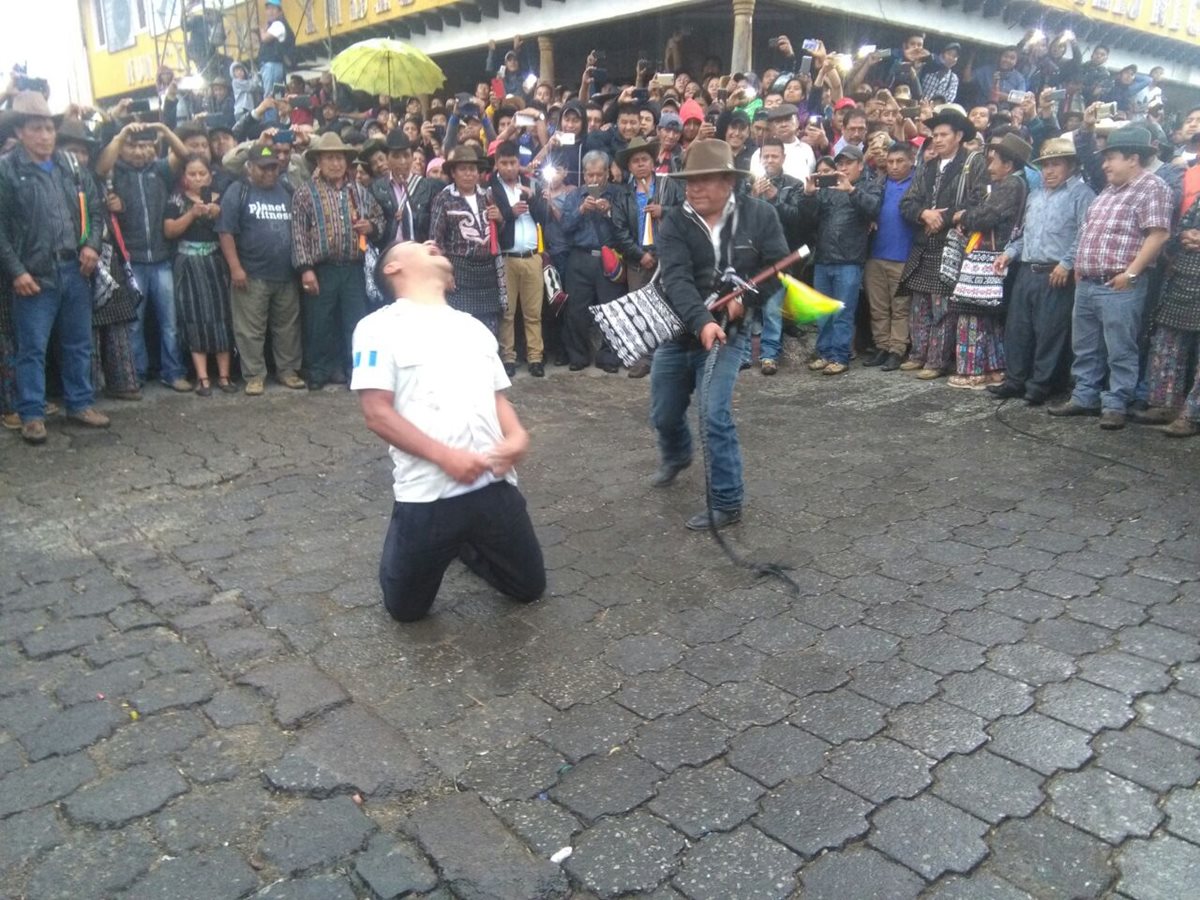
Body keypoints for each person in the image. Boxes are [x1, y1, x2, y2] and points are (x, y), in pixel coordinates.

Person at [352, 240, 545, 623]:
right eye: (418, 245)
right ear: (392, 269)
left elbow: (498, 399)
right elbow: (376, 413)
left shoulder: (472, 327)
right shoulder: (376, 328)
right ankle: (446, 545)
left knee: (530, 588)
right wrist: (447, 457)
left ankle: (468, 546)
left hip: (493, 486)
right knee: (406, 611)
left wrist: (518, 437)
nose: (431, 244)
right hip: (429, 496)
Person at [650, 139, 790, 530]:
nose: (693, 189)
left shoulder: (761, 216)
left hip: (731, 335)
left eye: (705, 180)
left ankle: (728, 502)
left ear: (729, 180)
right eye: (689, 181)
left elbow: (779, 269)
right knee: (663, 413)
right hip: (680, 333)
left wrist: (749, 298)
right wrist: (702, 321)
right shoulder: (676, 221)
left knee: (714, 414)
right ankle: (677, 455)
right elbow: (676, 280)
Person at [0, 91, 108, 444]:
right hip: (34, 276)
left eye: (49, 128)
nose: (45, 135)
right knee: (31, 348)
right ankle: (31, 414)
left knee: (78, 343)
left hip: (76, 270)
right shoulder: (6, 170)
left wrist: (91, 245)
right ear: (19, 132)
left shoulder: (71, 166)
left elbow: (95, 207)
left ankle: (80, 404)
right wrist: (16, 271)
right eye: (36, 128)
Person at [1049, 126, 1172, 430]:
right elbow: (1087, 231)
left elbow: (1158, 235)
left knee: (1120, 348)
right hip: (1089, 282)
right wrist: (1079, 265)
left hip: (1120, 283)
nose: (1104, 165)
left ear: (1133, 158)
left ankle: (1116, 403)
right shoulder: (1108, 191)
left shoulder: (1152, 187)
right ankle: (1085, 396)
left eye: (1111, 158)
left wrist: (1131, 273)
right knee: (1086, 346)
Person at [990, 136, 1095, 404]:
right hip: (1027, 269)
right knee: (1018, 329)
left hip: (1056, 272)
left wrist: (1067, 263)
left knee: (1050, 332)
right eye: (1045, 165)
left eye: (1055, 164)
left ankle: (1040, 385)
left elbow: (1085, 234)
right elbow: (1026, 234)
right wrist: (1009, 253)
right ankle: (1015, 380)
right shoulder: (1035, 196)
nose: (1048, 171)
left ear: (1071, 166)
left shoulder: (1081, 195)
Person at [95, 120, 193, 391]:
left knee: (169, 323)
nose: (140, 152)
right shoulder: (116, 172)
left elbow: (185, 156)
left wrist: (164, 128)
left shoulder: (160, 170)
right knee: (134, 325)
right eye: (133, 146)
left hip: (162, 259)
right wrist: (122, 133)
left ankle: (172, 372)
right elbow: (100, 166)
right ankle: (135, 375)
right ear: (123, 149)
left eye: (146, 146)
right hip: (132, 262)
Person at [898, 104, 989, 377]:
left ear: (958, 136)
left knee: (943, 307)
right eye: (934, 134)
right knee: (919, 305)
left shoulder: (974, 162)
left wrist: (945, 217)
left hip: (952, 243)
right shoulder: (927, 166)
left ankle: (936, 361)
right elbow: (907, 202)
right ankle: (918, 353)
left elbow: (977, 201)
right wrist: (924, 213)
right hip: (924, 243)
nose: (936, 139)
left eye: (943, 134)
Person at [291, 131, 385, 390]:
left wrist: (371, 227)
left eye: (340, 158)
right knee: (319, 323)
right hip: (322, 269)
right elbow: (299, 234)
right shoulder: (305, 194)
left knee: (355, 323)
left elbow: (379, 218)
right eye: (330, 158)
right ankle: (319, 372)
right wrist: (306, 269)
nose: (336, 164)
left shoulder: (358, 191)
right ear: (319, 161)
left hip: (353, 268)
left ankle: (355, 371)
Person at [944, 132, 1030, 388]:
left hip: (989, 258)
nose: (990, 167)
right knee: (988, 317)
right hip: (996, 258)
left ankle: (972, 371)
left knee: (971, 314)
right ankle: (993, 368)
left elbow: (986, 217)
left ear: (1009, 164)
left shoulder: (1011, 186)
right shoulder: (1018, 184)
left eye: (994, 162)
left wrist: (962, 216)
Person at [217, 144, 305, 395]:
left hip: (287, 273)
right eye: (263, 168)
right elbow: (226, 231)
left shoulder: (287, 188)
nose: (269, 172)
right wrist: (235, 268)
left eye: (273, 167)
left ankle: (287, 371)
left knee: (288, 328)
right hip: (251, 274)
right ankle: (254, 375)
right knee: (250, 330)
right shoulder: (239, 190)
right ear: (250, 167)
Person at [798, 145, 883, 375]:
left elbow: (874, 209)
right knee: (823, 312)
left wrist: (852, 191)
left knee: (843, 313)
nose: (843, 167)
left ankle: (840, 356)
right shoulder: (829, 188)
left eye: (848, 163)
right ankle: (824, 353)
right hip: (824, 258)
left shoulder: (869, 186)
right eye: (840, 163)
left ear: (860, 165)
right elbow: (808, 218)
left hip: (850, 260)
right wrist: (808, 194)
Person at [164, 155, 235, 396]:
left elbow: (233, 228)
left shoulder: (221, 198)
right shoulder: (176, 198)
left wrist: (219, 212)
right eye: (192, 174)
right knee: (193, 317)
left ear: (210, 175)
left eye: (201, 174)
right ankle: (203, 378)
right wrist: (192, 214)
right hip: (189, 264)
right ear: (184, 177)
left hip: (215, 263)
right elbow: (169, 230)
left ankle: (224, 376)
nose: (197, 178)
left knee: (222, 316)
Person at [428, 145, 506, 334]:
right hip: (460, 271)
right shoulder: (444, 199)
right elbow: (435, 241)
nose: (469, 174)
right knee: (461, 331)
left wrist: (500, 219)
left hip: (488, 271)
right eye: (463, 169)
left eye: (472, 169)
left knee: (489, 329)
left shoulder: (487, 196)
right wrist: (445, 273)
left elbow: (498, 233)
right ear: (453, 172)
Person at [560, 150, 625, 373]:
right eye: (590, 175)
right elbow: (565, 227)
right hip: (580, 257)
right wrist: (580, 211)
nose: (595, 180)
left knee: (611, 308)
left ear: (607, 173)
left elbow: (626, 226)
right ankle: (578, 355)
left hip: (608, 257)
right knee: (576, 309)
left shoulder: (617, 194)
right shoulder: (574, 196)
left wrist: (609, 212)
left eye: (599, 174)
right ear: (584, 175)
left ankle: (609, 357)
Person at [489, 141, 546, 377]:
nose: (509, 168)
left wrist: (533, 199)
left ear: (519, 163)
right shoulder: (491, 189)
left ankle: (535, 357)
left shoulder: (531, 184)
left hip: (532, 255)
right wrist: (510, 214)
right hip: (507, 256)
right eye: (504, 163)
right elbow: (495, 225)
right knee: (507, 312)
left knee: (534, 313)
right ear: (497, 164)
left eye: (513, 162)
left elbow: (545, 219)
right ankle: (508, 357)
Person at [863, 141, 917, 371]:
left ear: (911, 161)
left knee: (901, 307)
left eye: (900, 161)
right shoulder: (879, 183)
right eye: (891, 162)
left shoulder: (918, 185)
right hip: (875, 254)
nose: (894, 166)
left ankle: (897, 349)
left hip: (903, 255)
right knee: (878, 306)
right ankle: (882, 346)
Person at [368, 130, 436, 245]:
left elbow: (434, 223)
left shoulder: (427, 187)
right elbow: (375, 225)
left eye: (406, 155)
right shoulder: (377, 188)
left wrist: (411, 216)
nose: (403, 161)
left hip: (417, 252)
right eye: (396, 156)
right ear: (387, 158)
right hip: (389, 252)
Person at [750, 104, 816, 180]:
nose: (783, 125)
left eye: (788, 120)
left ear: (797, 123)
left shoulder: (806, 149)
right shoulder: (760, 153)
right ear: (771, 127)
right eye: (778, 121)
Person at [257, 0, 294, 106]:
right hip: (274, 66)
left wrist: (261, 30)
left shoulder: (278, 24)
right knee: (277, 97)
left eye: (273, 9)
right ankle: (276, 119)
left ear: (280, 12)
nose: (270, 12)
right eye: (268, 9)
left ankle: (271, 120)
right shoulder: (277, 25)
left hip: (272, 65)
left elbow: (265, 38)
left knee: (270, 97)